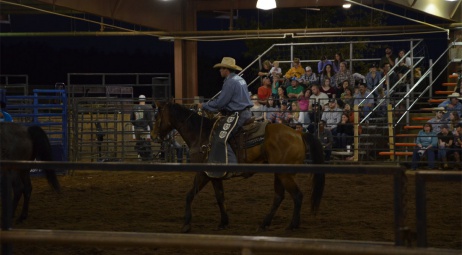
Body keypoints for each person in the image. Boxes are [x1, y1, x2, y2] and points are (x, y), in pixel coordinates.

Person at [198, 57, 253, 164]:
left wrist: (204, 105)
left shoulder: (230, 82)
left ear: (226, 69)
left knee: (219, 136)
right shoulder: (240, 79)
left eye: (221, 68)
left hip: (238, 115)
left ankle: (231, 165)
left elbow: (220, 103)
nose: (220, 70)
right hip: (246, 113)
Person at [130, 95, 153, 161]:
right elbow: (150, 121)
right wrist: (152, 129)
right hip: (144, 129)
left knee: (139, 142)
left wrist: (136, 124)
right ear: (144, 100)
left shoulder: (134, 107)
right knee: (145, 143)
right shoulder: (147, 108)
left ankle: (139, 156)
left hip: (136, 129)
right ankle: (145, 157)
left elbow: (131, 119)